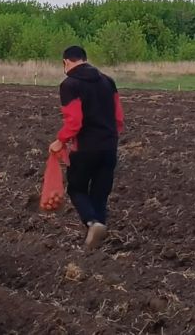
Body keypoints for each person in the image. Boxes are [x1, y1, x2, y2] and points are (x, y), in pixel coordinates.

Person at [49, 45, 124, 249]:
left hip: (85, 148)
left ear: (66, 62)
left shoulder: (69, 85)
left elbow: (75, 121)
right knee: (100, 193)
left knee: (77, 188)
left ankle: (92, 223)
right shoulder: (108, 81)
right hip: (109, 146)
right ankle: (97, 240)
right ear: (84, 59)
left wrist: (60, 140)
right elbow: (118, 118)